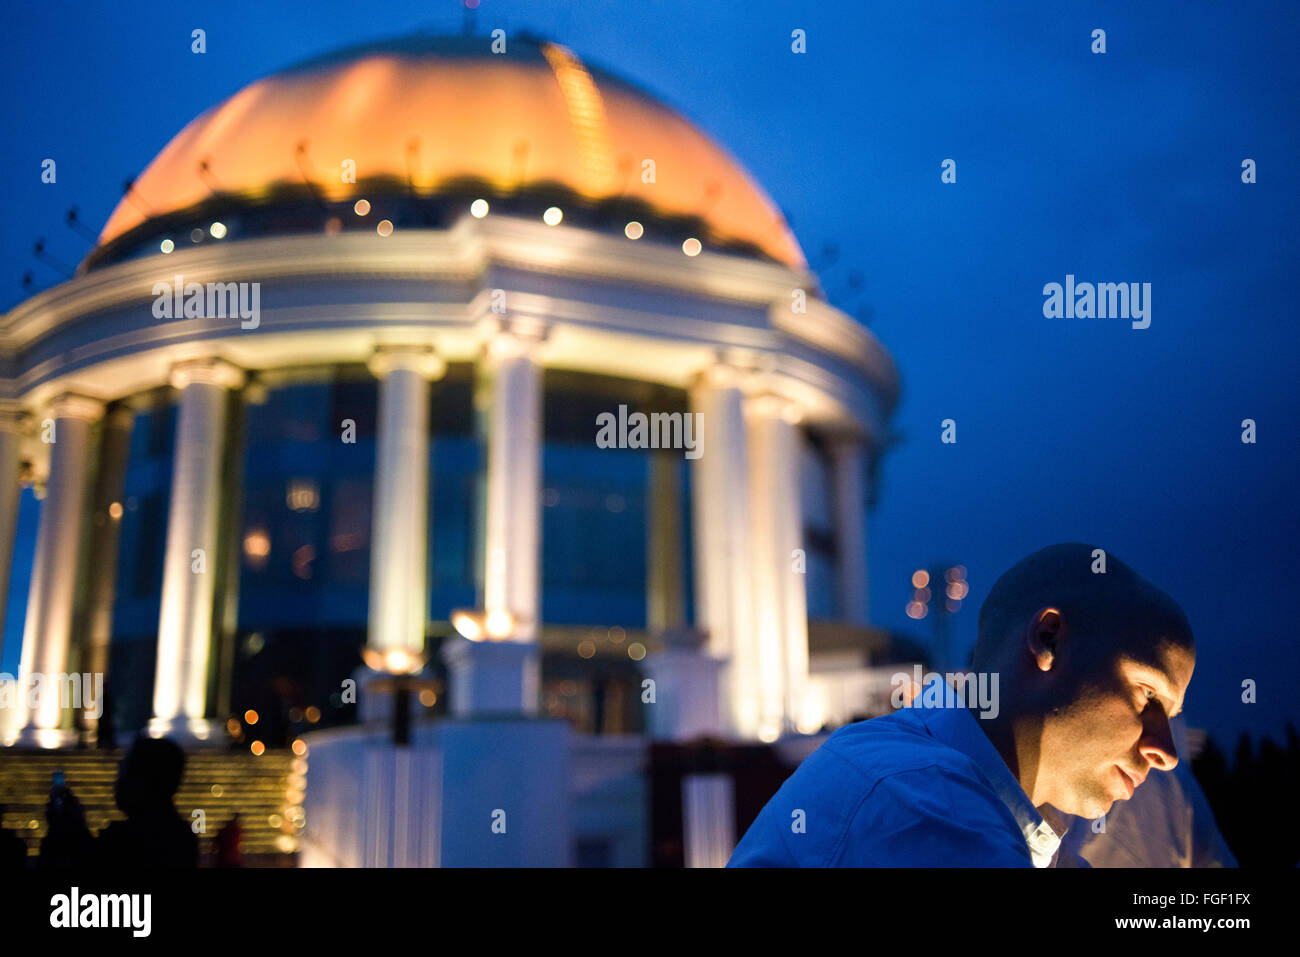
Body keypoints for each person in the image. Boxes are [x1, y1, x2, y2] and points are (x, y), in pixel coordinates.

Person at [729, 542, 1195, 867]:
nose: (1167, 752)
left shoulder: (941, 792)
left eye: (1170, 718)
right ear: (1048, 639)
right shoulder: (927, 806)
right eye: (1148, 694)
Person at [41, 735, 199, 868]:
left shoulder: (125, 842)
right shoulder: (182, 838)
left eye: (123, 773)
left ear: (143, 781)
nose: (116, 783)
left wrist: (64, 831)